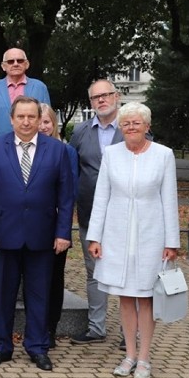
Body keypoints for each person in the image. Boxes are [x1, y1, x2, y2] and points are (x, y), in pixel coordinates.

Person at [0, 96, 74, 371]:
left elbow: (66, 197)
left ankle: (38, 347)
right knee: (3, 295)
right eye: (21, 117)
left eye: (32, 116)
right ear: (11, 119)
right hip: (3, 234)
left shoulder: (57, 150)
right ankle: (1, 347)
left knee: (39, 295)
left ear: (38, 118)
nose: (27, 122)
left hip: (42, 236)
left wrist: (63, 232)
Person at [86, 102, 179, 378]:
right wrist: (95, 236)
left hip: (151, 235)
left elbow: (169, 199)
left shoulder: (164, 155)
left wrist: (171, 241)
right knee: (126, 298)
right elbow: (101, 196)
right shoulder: (112, 154)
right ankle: (128, 354)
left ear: (147, 126)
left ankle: (145, 358)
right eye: (126, 123)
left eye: (136, 123)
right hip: (116, 234)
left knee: (146, 297)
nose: (130, 128)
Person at [69, 79, 124, 345]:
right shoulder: (80, 132)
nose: (101, 100)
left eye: (106, 95)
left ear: (117, 96)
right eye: (96, 97)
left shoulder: (131, 127)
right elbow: (71, 172)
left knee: (127, 272)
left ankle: (130, 332)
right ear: (90, 102)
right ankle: (96, 327)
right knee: (94, 272)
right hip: (90, 215)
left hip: (126, 216)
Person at [37, 103, 78, 348]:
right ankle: (36, 326)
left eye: (47, 122)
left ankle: (50, 329)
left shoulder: (66, 152)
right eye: (38, 121)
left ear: (54, 124)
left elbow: (69, 193)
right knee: (33, 279)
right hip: (32, 226)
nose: (42, 127)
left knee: (53, 279)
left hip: (55, 226)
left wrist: (63, 229)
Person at [0, 48, 51, 137]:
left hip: (34, 146)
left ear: (27, 64)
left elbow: (48, 119)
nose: (15, 64)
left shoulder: (40, 87)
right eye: (10, 61)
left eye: (20, 61)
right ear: (3, 66)